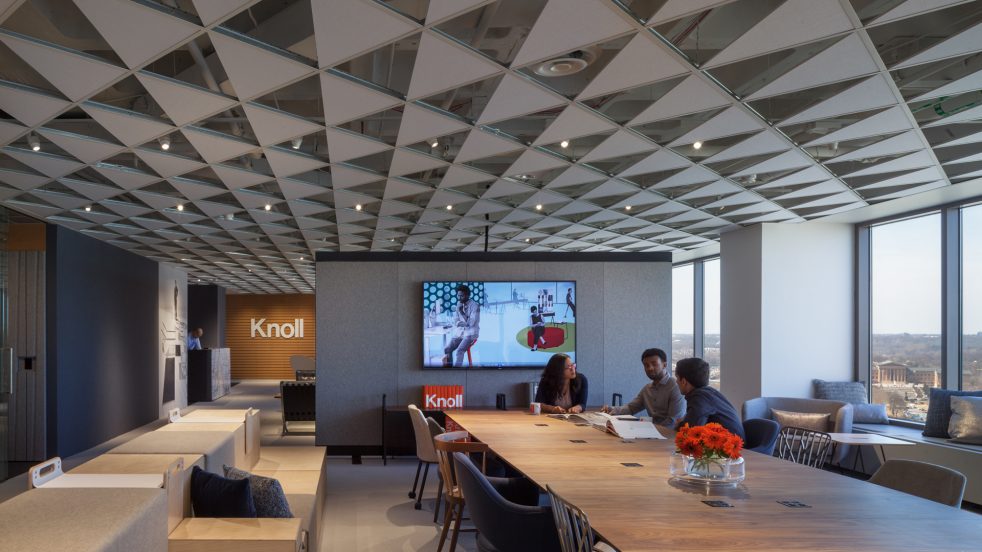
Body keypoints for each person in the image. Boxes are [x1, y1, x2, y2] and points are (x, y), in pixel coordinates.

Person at [601, 348, 685, 427]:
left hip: (670, 438)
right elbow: (631, 408)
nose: (650, 368)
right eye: (646, 365)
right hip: (652, 434)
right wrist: (612, 410)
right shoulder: (647, 389)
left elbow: (673, 421)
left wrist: (650, 430)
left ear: (664, 365)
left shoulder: (676, 387)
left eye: (654, 364)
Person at [674, 357, 744, 439]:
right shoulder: (708, 392)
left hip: (732, 447)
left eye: (677, 378)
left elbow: (692, 430)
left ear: (683, 381)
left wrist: (679, 425)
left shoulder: (699, 398)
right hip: (729, 443)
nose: (676, 381)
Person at [443, 284, 480, 367]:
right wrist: (461, 323)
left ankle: (457, 370)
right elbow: (455, 320)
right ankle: (448, 369)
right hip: (460, 333)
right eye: (458, 296)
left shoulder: (475, 306)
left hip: (471, 333)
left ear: (468, 295)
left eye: (462, 296)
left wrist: (461, 312)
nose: (459, 298)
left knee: (460, 350)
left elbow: (471, 323)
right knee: (447, 349)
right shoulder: (458, 303)